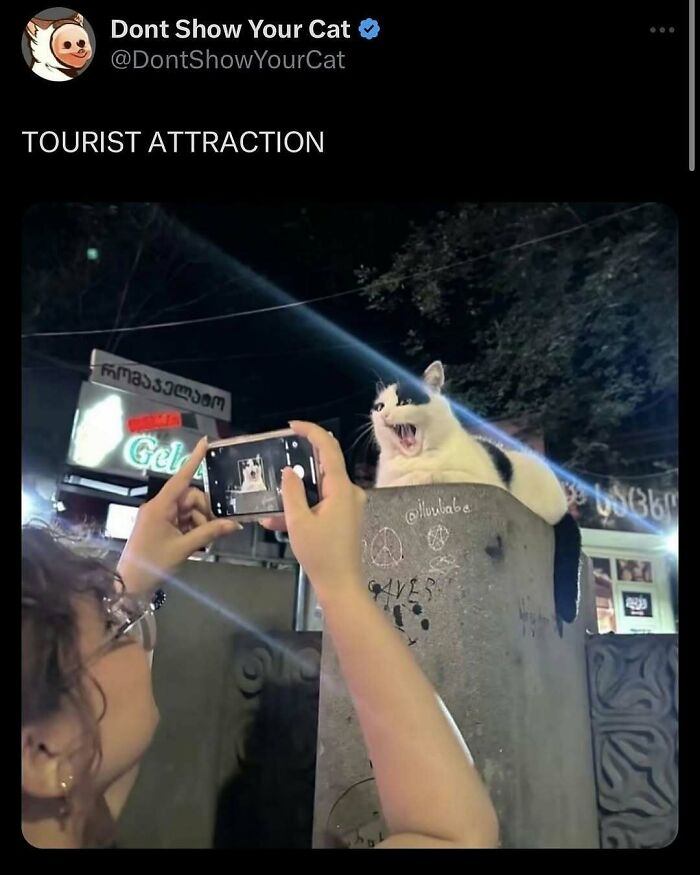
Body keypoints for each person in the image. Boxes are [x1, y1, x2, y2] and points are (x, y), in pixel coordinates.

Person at [22, 421, 499, 849]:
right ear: (43, 753)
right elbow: (457, 836)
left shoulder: (58, 814)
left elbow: (93, 795)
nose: (129, 616)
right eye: (111, 623)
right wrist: (340, 585)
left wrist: (139, 577)